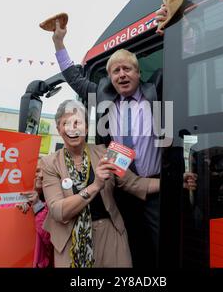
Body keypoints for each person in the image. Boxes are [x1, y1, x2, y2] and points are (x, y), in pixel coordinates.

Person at [51, 17, 163, 268]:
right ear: (111, 77)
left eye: (127, 69)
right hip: (120, 187)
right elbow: (74, 78)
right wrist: (59, 43)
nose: (122, 75)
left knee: (160, 246)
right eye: (116, 71)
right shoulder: (103, 97)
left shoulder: (157, 91)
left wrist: (178, 22)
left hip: (154, 186)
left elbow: (186, 56)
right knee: (131, 246)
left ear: (138, 72)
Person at [38, 100, 162, 267]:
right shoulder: (49, 163)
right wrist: (95, 186)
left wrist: (174, 181)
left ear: (87, 128)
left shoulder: (107, 153)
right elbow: (58, 211)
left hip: (111, 238)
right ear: (59, 129)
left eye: (78, 122)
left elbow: (137, 184)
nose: (73, 128)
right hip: (70, 243)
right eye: (66, 123)